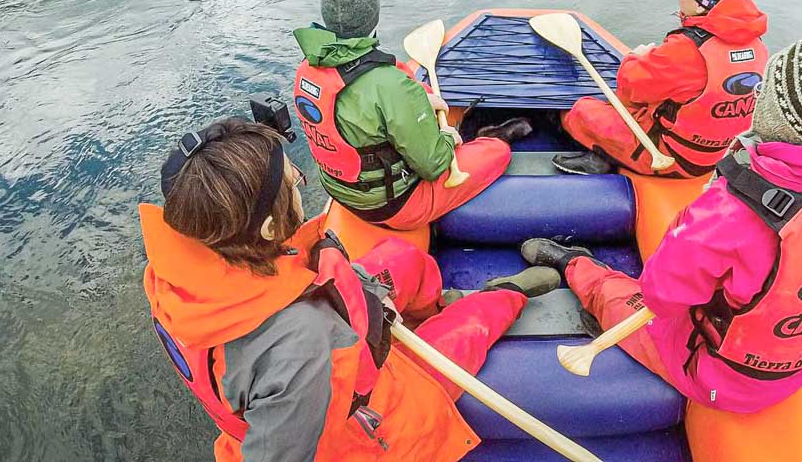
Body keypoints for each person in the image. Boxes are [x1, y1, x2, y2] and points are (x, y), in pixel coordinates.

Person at [140, 117, 560, 462]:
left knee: (402, 257)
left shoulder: (177, 273)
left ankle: (429, 307)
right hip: (361, 414)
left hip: (333, 331)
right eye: (293, 183)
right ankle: (506, 293)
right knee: (470, 328)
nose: (300, 186)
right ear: (268, 229)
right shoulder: (298, 345)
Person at [521, 37, 802, 413]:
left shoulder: (732, 211)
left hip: (716, 376)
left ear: (773, 112)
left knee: (619, 296)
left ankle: (575, 264)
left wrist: (706, 205)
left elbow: (659, 294)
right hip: (794, 370)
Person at [294, 0, 531, 229]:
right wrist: (450, 137)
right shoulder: (389, 84)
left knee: (413, 102)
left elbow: (359, 113)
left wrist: (416, 102)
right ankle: (491, 135)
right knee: (498, 153)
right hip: (395, 206)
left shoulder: (307, 69)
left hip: (340, 190)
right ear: (374, 16)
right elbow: (434, 165)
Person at [555, 0, 768, 177]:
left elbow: (630, 88)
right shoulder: (757, 45)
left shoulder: (687, 49)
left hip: (673, 157)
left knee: (580, 110)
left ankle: (605, 157)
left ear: (698, 4)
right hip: (722, 154)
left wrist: (635, 57)